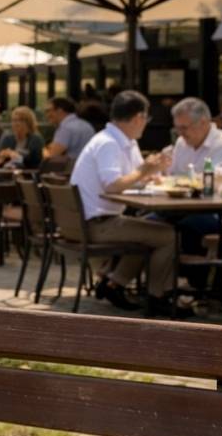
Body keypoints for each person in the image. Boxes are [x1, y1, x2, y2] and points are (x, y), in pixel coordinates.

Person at [69, 90, 186, 317]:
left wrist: (149, 173)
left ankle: (114, 284)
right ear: (138, 118)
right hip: (97, 224)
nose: (145, 125)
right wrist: (144, 170)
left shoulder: (123, 141)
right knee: (169, 235)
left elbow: (133, 178)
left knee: (147, 229)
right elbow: (113, 185)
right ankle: (156, 296)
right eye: (146, 119)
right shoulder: (109, 144)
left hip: (94, 220)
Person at [164, 97, 222, 261]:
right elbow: (172, 175)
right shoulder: (182, 143)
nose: (180, 133)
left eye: (184, 128)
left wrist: (186, 181)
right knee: (151, 224)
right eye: (177, 129)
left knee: (185, 229)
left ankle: (197, 281)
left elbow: (219, 179)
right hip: (184, 208)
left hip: (219, 212)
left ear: (204, 122)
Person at [45, 96, 95, 160]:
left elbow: (52, 155)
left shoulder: (65, 128)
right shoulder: (87, 125)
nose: (47, 115)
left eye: (49, 111)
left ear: (60, 110)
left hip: (70, 168)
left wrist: (45, 151)